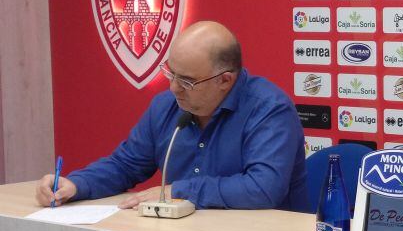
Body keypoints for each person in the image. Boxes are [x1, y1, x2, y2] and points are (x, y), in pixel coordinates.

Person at [35, 21, 307, 211]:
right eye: (171, 73)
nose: (173, 87)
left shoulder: (269, 110)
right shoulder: (166, 106)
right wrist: (76, 184)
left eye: (187, 81)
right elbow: (126, 165)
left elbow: (263, 189)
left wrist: (179, 190)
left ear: (225, 80)